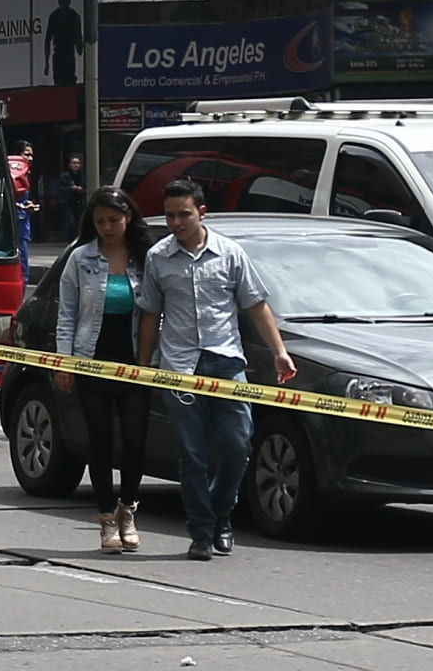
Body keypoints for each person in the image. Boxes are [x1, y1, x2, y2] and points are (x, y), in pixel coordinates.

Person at [133, 178, 296, 561]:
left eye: (184, 214)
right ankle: (202, 531)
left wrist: (279, 352)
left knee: (238, 444)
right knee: (192, 454)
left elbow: (256, 304)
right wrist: (143, 366)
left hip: (225, 362)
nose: (176, 223)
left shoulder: (230, 253)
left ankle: (223, 512)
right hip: (179, 366)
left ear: (201, 213)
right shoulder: (158, 257)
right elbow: (150, 314)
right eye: (170, 216)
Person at [53, 185, 154, 554]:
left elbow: (157, 310)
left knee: (135, 440)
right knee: (100, 440)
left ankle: (128, 510)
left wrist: (150, 360)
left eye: (114, 220)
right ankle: (106, 518)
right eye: (100, 222)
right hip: (91, 358)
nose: (107, 228)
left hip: (134, 361)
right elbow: (67, 314)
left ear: (128, 218)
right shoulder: (80, 259)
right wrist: (65, 362)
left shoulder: (146, 258)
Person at [36, 153, 86, 249]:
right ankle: (71, 241)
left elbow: (85, 188)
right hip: (67, 203)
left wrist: (81, 190)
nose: (76, 165)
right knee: (71, 222)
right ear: (69, 164)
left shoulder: (82, 177)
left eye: (78, 163)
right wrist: (71, 188)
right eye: (74, 163)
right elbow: (59, 189)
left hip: (78, 203)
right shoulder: (64, 176)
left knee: (78, 223)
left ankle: (77, 241)